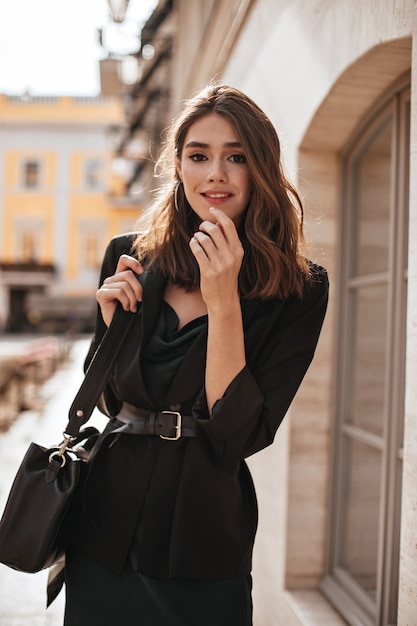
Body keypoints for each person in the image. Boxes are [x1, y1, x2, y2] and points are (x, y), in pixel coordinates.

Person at [63, 83, 329, 626]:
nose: (216, 174)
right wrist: (115, 331)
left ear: (263, 169)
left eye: (237, 157)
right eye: (199, 156)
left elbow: (237, 435)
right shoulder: (128, 255)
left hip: (203, 536)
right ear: (179, 166)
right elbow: (114, 404)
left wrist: (223, 297)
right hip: (103, 523)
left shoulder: (300, 288)